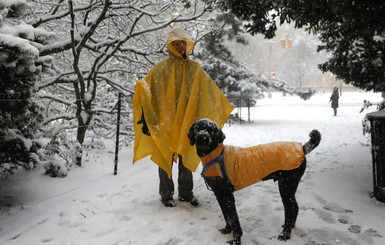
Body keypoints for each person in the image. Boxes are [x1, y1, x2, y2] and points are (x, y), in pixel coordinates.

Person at [132, 26, 233, 207]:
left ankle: (186, 194)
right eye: (176, 44)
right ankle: (166, 195)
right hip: (165, 123)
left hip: (187, 123)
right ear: (170, 45)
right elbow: (146, 92)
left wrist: (218, 109)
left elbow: (209, 93)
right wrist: (146, 120)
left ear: (188, 45)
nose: (180, 47)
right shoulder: (160, 69)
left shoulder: (194, 69)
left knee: (186, 157)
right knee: (165, 158)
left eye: (182, 44)